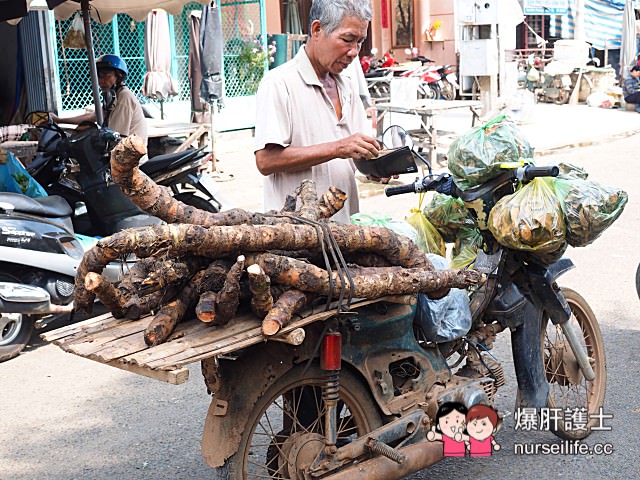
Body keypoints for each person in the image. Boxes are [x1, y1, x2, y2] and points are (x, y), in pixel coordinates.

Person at [254, 0, 380, 224]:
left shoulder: (348, 85)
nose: (354, 52)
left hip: (345, 233)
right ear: (317, 30)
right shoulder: (279, 83)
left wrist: (378, 166)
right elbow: (266, 161)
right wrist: (338, 148)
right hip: (294, 237)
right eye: (348, 39)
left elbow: (356, 151)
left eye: (360, 42)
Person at [50, 54, 148, 144]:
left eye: (105, 75)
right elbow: (94, 116)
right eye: (98, 77)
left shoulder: (124, 96)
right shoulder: (111, 96)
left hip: (131, 160)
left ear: (118, 76)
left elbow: (114, 134)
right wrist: (59, 120)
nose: (100, 81)